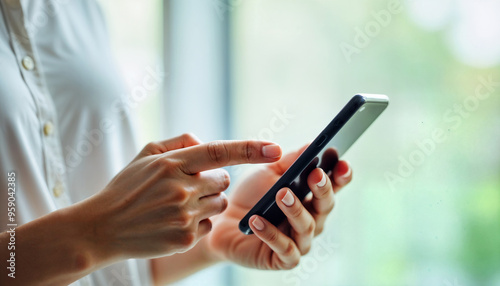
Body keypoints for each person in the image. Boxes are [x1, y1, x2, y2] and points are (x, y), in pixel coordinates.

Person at [0, 1, 352, 285]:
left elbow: (115, 261)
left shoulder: (79, 9)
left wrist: (218, 230)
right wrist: (96, 233)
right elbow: (100, 236)